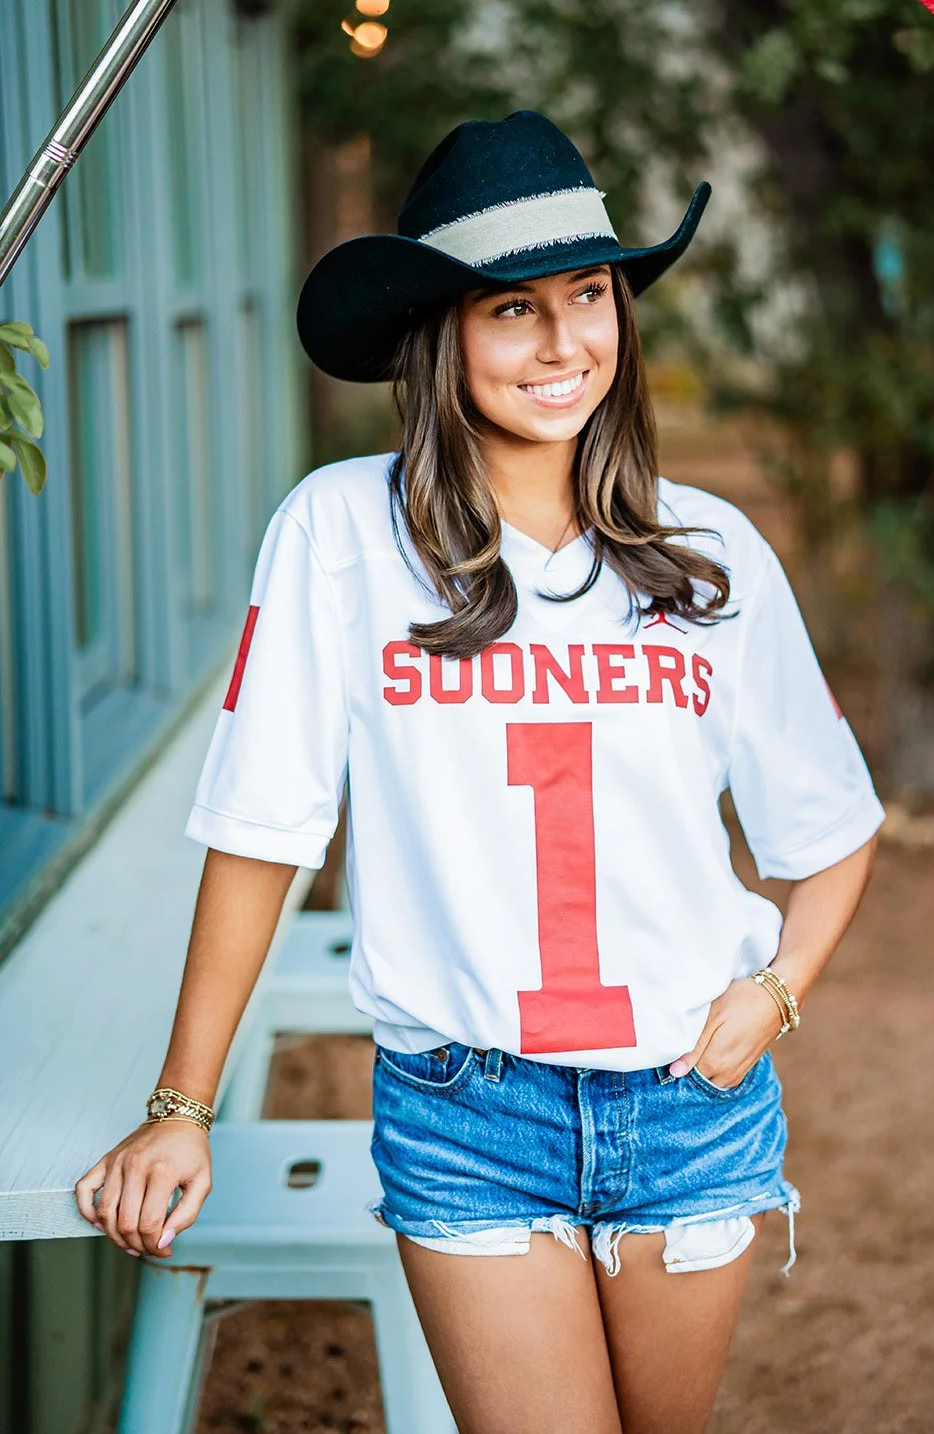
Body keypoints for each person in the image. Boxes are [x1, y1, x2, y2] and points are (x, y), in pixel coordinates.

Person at [75, 110, 883, 1434]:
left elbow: (833, 826)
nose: (565, 346)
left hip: (691, 1107)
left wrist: (779, 993)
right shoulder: (340, 534)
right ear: (439, 333)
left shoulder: (711, 551)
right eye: (515, 309)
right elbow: (261, 833)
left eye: (589, 297)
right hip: (469, 1113)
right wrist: (182, 1107)